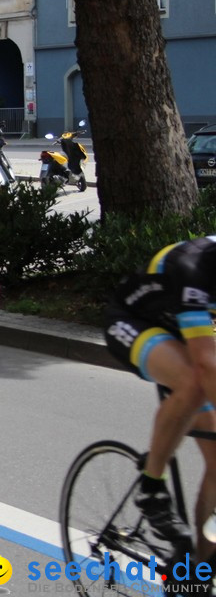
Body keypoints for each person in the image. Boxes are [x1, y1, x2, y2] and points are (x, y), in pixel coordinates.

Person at [104, 236, 216, 566]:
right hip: (132, 321)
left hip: (184, 332)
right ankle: (151, 486)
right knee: (195, 383)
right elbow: (205, 363)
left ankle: (199, 567)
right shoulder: (195, 265)